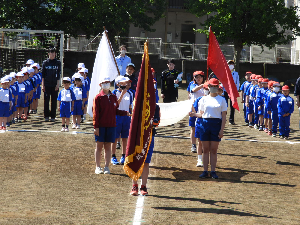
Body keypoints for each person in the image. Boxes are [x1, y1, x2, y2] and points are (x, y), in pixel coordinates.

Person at [189, 78, 227, 179]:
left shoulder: (222, 100)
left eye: (215, 86)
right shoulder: (203, 99)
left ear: (217, 87)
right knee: (205, 149)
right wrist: (194, 114)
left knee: (214, 150)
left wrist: (221, 130)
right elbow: (201, 114)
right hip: (204, 124)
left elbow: (224, 116)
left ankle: (213, 171)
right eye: (211, 86)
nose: (213, 88)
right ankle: (205, 171)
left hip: (216, 124)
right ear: (208, 87)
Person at [93, 77, 130, 175]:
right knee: (99, 147)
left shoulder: (113, 97)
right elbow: (95, 113)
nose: (106, 84)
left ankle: (106, 166)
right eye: (104, 83)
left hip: (111, 126)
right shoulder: (98, 97)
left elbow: (115, 110)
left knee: (108, 147)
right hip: (101, 126)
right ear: (100, 85)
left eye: (107, 82)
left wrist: (125, 113)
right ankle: (98, 166)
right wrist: (95, 127)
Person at [130, 103, 160, 196]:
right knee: (135, 160)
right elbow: (133, 120)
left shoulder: (155, 107)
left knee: (146, 162)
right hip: (137, 137)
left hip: (149, 137)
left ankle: (143, 186)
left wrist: (149, 122)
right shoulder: (138, 104)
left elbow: (157, 122)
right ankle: (134, 185)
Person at [111, 76, 133, 165]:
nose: (125, 84)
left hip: (126, 118)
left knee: (125, 137)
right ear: (118, 84)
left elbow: (130, 106)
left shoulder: (130, 93)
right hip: (117, 117)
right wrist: (122, 94)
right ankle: (113, 156)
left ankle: (124, 155)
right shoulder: (114, 93)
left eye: (125, 83)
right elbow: (115, 105)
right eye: (122, 83)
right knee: (116, 137)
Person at [192, 81, 209, 167]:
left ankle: (207, 159)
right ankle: (199, 159)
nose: (206, 90)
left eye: (207, 89)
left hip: (210, 123)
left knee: (209, 143)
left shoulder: (215, 99)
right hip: (200, 122)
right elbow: (195, 111)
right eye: (205, 88)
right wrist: (193, 113)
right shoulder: (199, 99)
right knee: (200, 142)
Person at [42, 47, 61, 122]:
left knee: (54, 101)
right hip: (47, 84)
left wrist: (57, 84)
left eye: (54, 53)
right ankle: (46, 115)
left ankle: (53, 116)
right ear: (48, 54)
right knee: (46, 101)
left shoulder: (58, 63)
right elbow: (43, 75)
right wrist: (43, 85)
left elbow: (59, 74)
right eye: (52, 53)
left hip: (54, 85)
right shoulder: (45, 63)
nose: (53, 54)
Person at [188, 71, 205, 153]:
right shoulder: (192, 84)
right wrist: (203, 85)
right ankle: (193, 145)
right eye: (197, 77)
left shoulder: (206, 86)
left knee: (202, 127)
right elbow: (193, 90)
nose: (198, 79)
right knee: (193, 128)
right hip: (193, 108)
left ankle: (201, 145)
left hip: (203, 109)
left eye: (200, 77)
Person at [223, 60, 239, 125]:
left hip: (232, 91)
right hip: (225, 90)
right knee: (224, 105)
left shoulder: (236, 73)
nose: (231, 65)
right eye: (229, 64)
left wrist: (236, 90)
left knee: (232, 105)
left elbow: (237, 82)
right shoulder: (224, 72)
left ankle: (231, 120)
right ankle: (223, 118)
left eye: (232, 64)